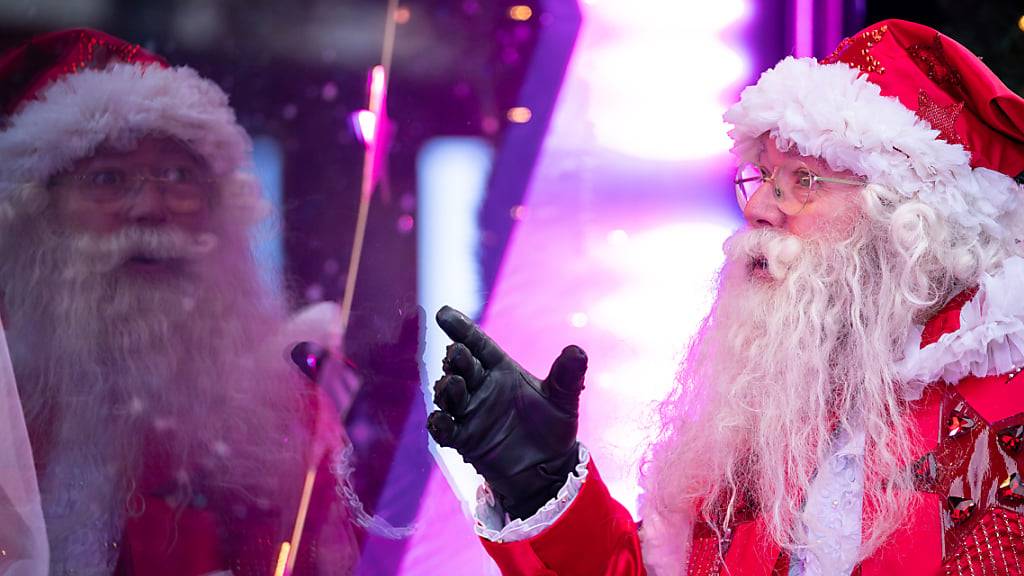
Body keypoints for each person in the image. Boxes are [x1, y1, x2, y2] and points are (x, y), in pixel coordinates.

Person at [428, 19, 1024, 575]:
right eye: (763, 175)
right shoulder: (779, 413)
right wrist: (543, 485)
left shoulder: (1007, 406)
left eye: (805, 181)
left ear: (911, 223)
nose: (758, 207)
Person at [0, 29, 358, 575]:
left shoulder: (284, 420)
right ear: (36, 215)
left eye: (176, 175)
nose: (149, 206)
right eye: (107, 178)